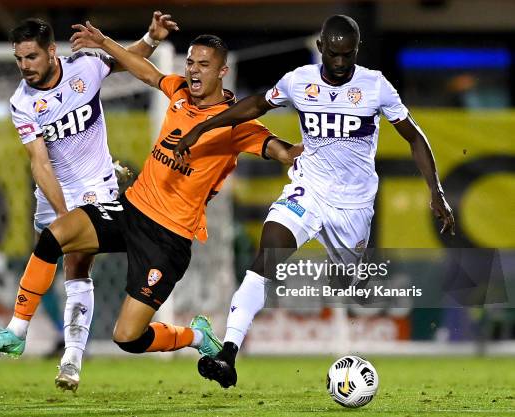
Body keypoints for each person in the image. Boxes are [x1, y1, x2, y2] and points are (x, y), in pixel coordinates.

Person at [0, 22, 302, 388]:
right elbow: (146, 71)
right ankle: (17, 331)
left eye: (203, 64)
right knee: (54, 236)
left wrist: (306, 150)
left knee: (128, 337)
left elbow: (282, 151)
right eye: (190, 62)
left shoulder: (237, 124)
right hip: (131, 209)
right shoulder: (177, 91)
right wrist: (103, 41)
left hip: (168, 239)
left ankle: (195, 337)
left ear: (222, 71)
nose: (192, 69)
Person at [174, 14, 456, 388]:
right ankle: (228, 352)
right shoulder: (298, 81)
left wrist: (436, 192)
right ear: (321, 47)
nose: (340, 63)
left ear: (357, 50)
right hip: (308, 189)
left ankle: (341, 275)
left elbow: (415, 137)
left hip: (354, 206)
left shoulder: (375, 86)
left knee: (343, 281)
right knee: (267, 255)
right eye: (333, 54)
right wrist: (202, 126)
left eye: (347, 55)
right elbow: (257, 104)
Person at [0, 12, 179, 392]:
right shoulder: (22, 102)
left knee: (77, 265)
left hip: (96, 188)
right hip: (54, 194)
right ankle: (53, 351)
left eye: (31, 57)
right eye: (18, 59)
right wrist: (65, 215)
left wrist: (152, 36)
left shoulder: (86, 66)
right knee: (66, 268)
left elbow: (127, 60)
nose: (24, 67)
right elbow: (40, 162)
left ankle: (68, 357)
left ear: (51, 52)